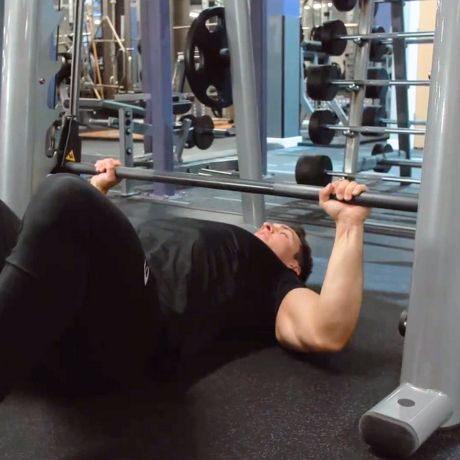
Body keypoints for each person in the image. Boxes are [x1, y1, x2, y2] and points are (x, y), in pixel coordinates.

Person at [0, 158, 370, 396]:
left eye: (284, 234)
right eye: (272, 224)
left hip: (126, 334)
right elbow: (98, 251)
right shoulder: (222, 238)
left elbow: (327, 329)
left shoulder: (275, 281)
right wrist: (99, 193)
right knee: (55, 200)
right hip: (60, 310)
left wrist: (348, 225)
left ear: (294, 267)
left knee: (63, 191)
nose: (270, 224)